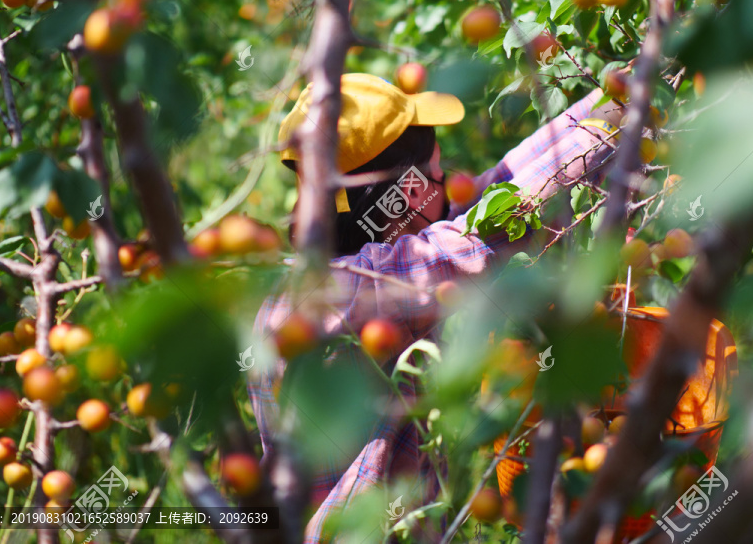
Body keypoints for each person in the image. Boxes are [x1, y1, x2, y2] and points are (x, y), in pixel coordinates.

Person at [248, 73, 625, 542]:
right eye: (436, 170)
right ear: (404, 194)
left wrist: (614, 97)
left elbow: (495, 194)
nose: (448, 181)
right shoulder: (334, 300)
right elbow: (473, 244)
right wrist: (616, 120)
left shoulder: (349, 269)